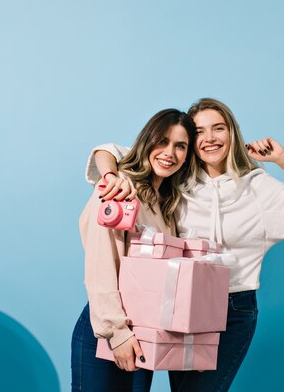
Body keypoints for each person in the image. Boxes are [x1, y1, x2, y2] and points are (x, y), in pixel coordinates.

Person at [84, 98, 284, 392]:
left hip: (233, 307)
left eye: (218, 128)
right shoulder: (178, 181)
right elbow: (117, 152)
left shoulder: (258, 188)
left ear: (232, 132)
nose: (209, 138)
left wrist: (283, 160)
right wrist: (111, 175)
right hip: (177, 302)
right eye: (199, 132)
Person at [71, 108, 197, 392]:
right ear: (147, 141)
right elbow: (101, 264)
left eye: (180, 146)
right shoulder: (118, 189)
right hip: (108, 330)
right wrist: (117, 333)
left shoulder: (166, 205)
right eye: (162, 141)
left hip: (144, 334)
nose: (170, 153)